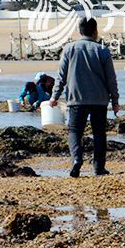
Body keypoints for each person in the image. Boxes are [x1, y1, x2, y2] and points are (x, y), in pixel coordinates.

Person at [49, 17, 120, 178]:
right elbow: (111, 79)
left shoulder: (69, 49)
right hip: (99, 100)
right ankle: (98, 168)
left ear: (79, 31)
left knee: (74, 132)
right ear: (95, 31)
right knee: (99, 134)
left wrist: (54, 97)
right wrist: (115, 101)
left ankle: (77, 160)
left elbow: (61, 77)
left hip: (76, 99)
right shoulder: (102, 50)